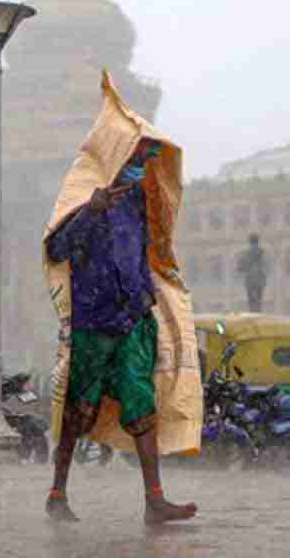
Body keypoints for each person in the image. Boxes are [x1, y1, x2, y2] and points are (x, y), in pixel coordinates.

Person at [42, 72, 201, 525]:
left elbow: (151, 252)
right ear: (118, 155)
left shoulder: (138, 204)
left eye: (148, 158)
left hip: (132, 318)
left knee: (141, 406)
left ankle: (155, 501)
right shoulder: (83, 196)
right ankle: (57, 491)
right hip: (94, 321)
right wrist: (90, 213)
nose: (143, 165)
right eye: (138, 156)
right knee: (79, 409)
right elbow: (56, 249)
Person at [236, 234, 267, 312]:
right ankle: (258, 312)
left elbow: (240, 268)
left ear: (249, 242)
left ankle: (253, 313)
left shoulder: (246, 253)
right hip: (260, 279)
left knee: (252, 301)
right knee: (259, 300)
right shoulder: (262, 252)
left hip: (250, 279)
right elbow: (268, 266)